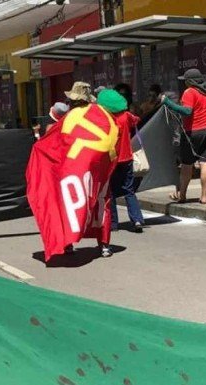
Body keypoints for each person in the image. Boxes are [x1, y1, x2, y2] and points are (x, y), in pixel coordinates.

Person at [63, 81, 114, 257]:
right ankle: (104, 245)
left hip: (77, 164)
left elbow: (63, 142)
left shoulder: (71, 116)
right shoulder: (103, 113)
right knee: (101, 201)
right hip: (102, 164)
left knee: (72, 200)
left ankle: (68, 242)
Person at [162, 68, 206, 205]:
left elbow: (187, 111)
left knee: (187, 165)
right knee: (205, 163)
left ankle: (183, 195)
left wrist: (168, 103)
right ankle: (204, 197)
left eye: (185, 80)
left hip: (193, 132)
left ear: (190, 81)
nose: (184, 83)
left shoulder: (189, 92)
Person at [97, 89, 145, 233]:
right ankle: (137, 219)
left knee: (110, 192)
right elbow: (137, 120)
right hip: (127, 158)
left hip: (111, 160)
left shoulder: (105, 119)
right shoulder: (126, 116)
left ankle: (113, 224)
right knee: (129, 190)